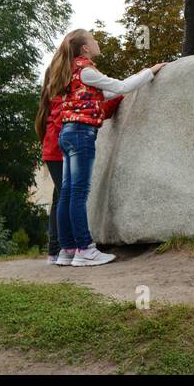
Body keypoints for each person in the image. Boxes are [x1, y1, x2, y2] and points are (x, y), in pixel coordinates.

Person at [52, 30, 165, 266]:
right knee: (79, 193)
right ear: (84, 48)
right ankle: (85, 249)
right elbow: (122, 86)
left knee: (68, 192)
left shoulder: (70, 71)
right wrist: (150, 72)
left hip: (66, 133)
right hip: (82, 134)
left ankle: (68, 249)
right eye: (93, 39)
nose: (97, 42)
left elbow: (105, 94)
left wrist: (135, 82)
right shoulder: (88, 71)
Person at [33, 32, 123, 264]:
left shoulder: (59, 81)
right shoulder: (72, 80)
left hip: (55, 144)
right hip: (62, 143)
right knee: (69, 195)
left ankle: (63, 250)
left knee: (62, 196)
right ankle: (70, 248)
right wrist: (118, 96)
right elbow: (93, 105)